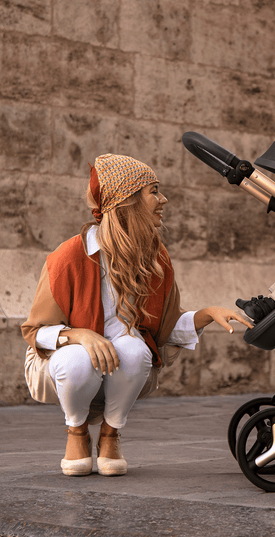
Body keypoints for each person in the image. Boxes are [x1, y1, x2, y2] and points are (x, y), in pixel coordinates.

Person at [22, 153, 252, 478]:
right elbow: (35, 331)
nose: (164, 199)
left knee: (134, 348)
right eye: (154, 191)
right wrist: (81, 335)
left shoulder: (155, 258)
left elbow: (164, 329)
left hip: (119, 375)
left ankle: (110, 434)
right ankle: (76, 432)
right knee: (78, 359)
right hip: (58, 368)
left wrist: (208, 314)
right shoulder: (69, 256)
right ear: (127, 200)